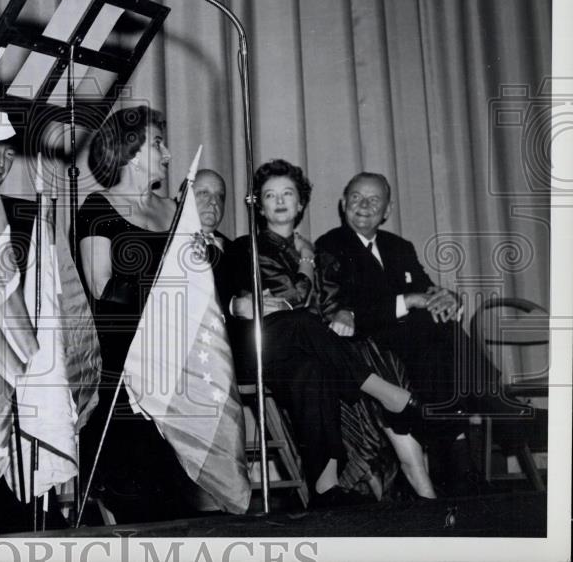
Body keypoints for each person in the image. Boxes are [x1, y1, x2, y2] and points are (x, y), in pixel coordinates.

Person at [223, 159, 434, 505]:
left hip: (307, 353)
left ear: (302, 203)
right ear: (259, 205)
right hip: (261, 347)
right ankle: (388, 395)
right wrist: (305, 265)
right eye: (269, 195)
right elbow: (293, 300)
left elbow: (332, 302)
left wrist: (343, 313)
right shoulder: (247, 247)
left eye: (288, 193)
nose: (279, 201)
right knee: (302, 322)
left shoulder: (321, 252)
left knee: (314, 370)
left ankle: (326, 489)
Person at [315, 172, 512, 494]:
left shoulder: (399, 246)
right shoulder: (330, 246)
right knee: (435, 331)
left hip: (417, 342)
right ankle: (491, 404)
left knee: (441, 326)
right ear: (342, 204)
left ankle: (462, 461)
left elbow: (427, 290)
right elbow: (345, 309)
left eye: (373, 200)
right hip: (371, 342)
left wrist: (449, 299)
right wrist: (409, 300)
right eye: (356, 198)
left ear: (387, 210)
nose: (364, 206)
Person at [74, 106, 209, 522]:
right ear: (129, 151)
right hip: (125, 345)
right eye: (157, 144)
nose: (168, 155)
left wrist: (203, 258)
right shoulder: (98, 208)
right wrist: (165, 291)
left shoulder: (175, 210)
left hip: (181, 342)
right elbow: (102, 288)